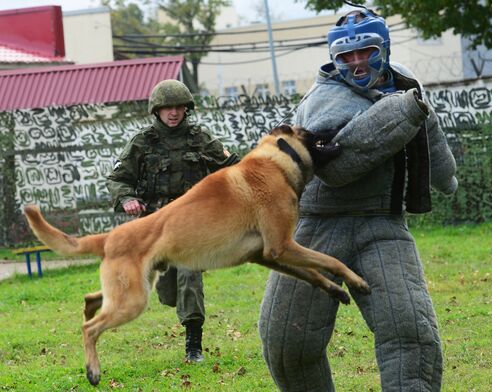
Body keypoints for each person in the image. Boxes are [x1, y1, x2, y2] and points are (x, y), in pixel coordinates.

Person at [259, 9, 458, 391]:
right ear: (334, 57)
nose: (356, 63)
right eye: (346, 56)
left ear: (382, 47)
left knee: (409, 330)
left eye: (364, 51)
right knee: (289, 340)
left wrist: (445, 177)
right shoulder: (323, 101)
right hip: (316, 224)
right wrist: (397, 115)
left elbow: (427, 131)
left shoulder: (404, 85)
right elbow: (335, 169)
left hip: (382, 222)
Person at [106, 79, 239, 363]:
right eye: (167, 107)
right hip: (157, 223)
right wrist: (127, 198)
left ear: (186, 109)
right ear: (157, 110)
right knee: (168, 292)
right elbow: (118, 178)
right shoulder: (142, 142)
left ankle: (194, 343)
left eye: (179, 107)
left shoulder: (200, 138)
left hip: (193, 222)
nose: (174, 112)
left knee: (190, 275)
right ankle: (180, 307)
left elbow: (232, 168)